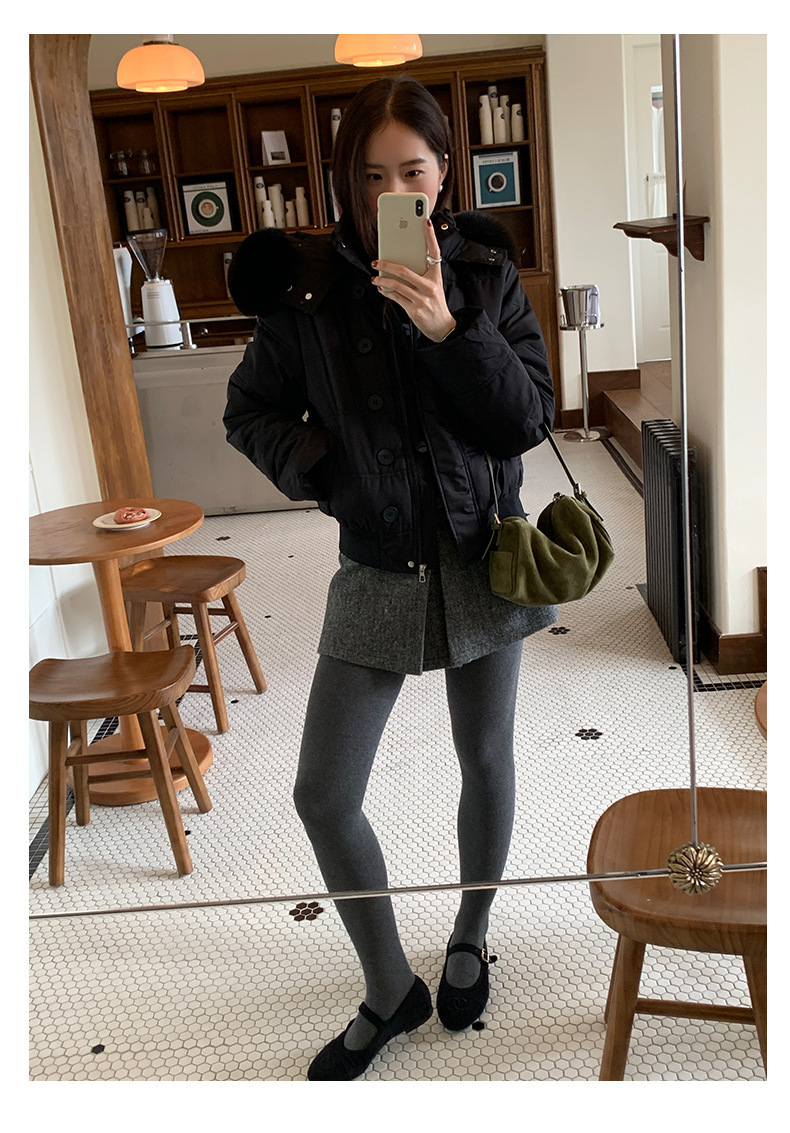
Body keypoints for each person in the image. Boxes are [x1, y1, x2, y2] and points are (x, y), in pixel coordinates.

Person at [224, 75, 556, 1081]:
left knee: (485, 756)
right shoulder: (307, 291)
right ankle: (387, 986)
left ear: (444, 172)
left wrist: (452, 328)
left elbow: (526, 418)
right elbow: (248, 411)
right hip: (376, 559)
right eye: (371, 177)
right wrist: (329, 471)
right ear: (346, 182)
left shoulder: (483, 272)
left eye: (411, 171)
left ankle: (470, 932)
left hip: (484, 552)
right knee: (324, 793)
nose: (391, 195)